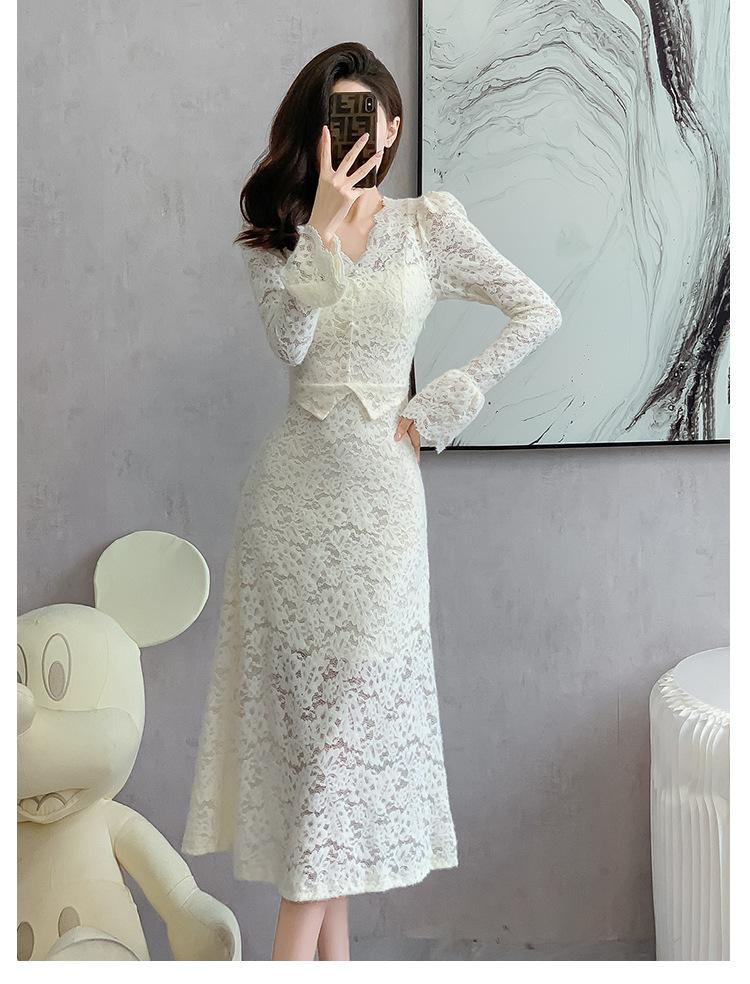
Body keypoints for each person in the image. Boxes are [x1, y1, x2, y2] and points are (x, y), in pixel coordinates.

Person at [182, 42, 562, 961]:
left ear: (393, 128)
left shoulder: (430, 225)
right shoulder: (277, 239)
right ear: (315, 133)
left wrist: (443, 403)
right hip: (288, 512)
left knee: (339, 763)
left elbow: (536, 309)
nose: (355, 132)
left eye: (369, 115)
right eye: (336, 117)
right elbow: (290, 343)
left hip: (383, 515)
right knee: (321, 764)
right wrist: (319, 227)